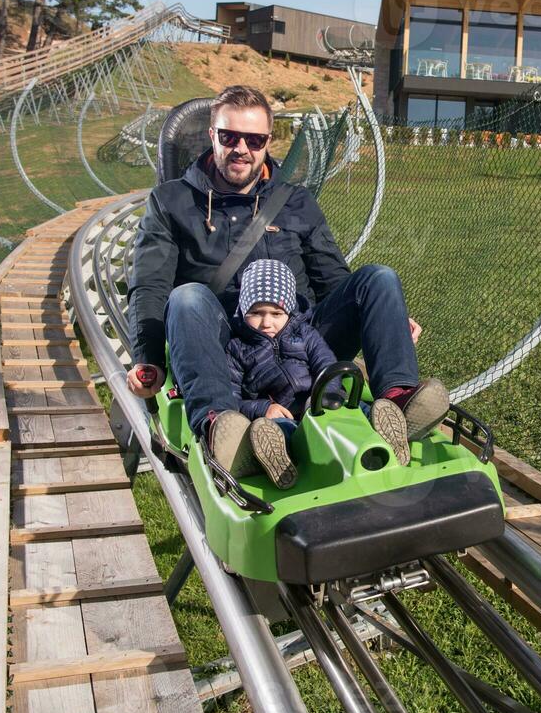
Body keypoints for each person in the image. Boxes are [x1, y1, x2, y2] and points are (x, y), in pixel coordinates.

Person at [124, 85, 448, 481]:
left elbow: (333, 278)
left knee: (378, 278)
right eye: (230, 136)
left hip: (302, 337)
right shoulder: (171, 201)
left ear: (267, 143)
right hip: (227, 347)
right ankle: (222, 427)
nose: (241, 148)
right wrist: (148, 358)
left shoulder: (295, 201)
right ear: (212, 136)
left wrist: (384, 319)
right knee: (187, 297)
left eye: (254, 139)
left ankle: (398, 401)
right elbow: (149, 284)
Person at [223, 259, 410, 488]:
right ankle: (281, 460)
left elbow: (326, 362)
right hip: (286, 415)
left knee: (358, 411)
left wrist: (325, 393)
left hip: (322, 402)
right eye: (256, 312)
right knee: (279, 431)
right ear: (243, 311)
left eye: (276, 313)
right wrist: (263, 408)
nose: (266, 322)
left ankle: (390, 437)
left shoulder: (305, 334)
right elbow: (232, 396)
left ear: (289, 312)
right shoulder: (236, 349)